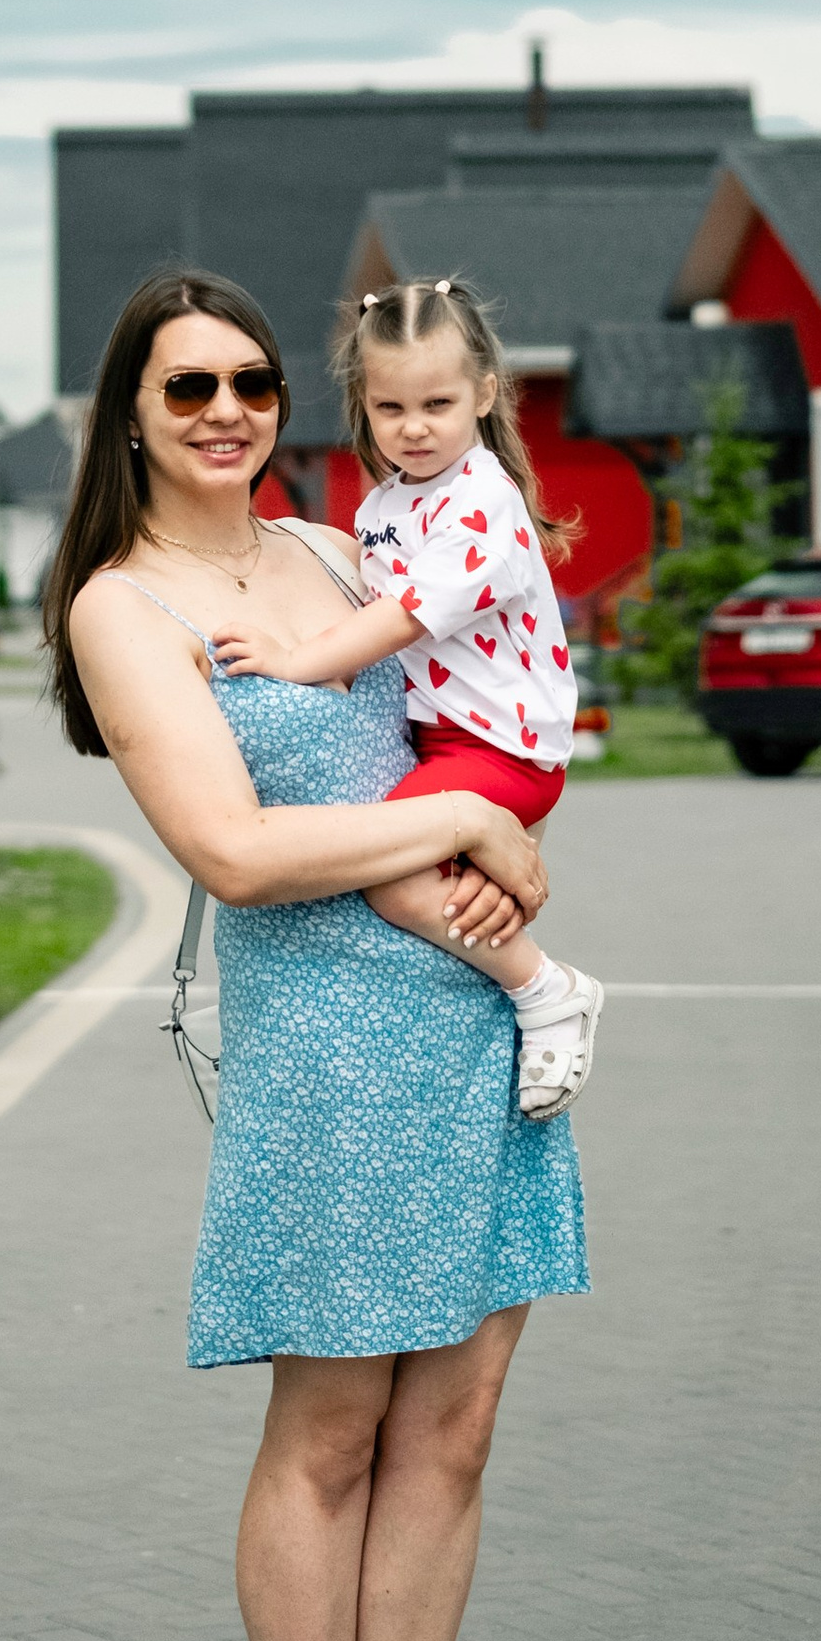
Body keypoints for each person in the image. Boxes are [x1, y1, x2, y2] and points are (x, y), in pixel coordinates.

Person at [49, 268, 589, 1641]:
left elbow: (471, 717)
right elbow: (236, 851)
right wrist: (465, 839)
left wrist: (502, 834)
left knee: (454, 1430)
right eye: (188, 386)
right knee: (334, 1434)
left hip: (476, 1028)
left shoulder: (344, 551)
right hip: (331, 1055)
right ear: (132, 415)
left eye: (253, 383)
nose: (227, 412)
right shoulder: (122, 607)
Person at [213, 274, 604, 1119]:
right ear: (364, 404)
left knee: (394, 883)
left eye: (438, 404)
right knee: (452, 886)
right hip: (445, 740)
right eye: (390, 408)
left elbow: (399, 618)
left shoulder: (483, 501)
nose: (414, 427)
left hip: (501, 746)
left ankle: (547, 990)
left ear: (484, 394)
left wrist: (296, 661)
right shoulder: (387, 505)